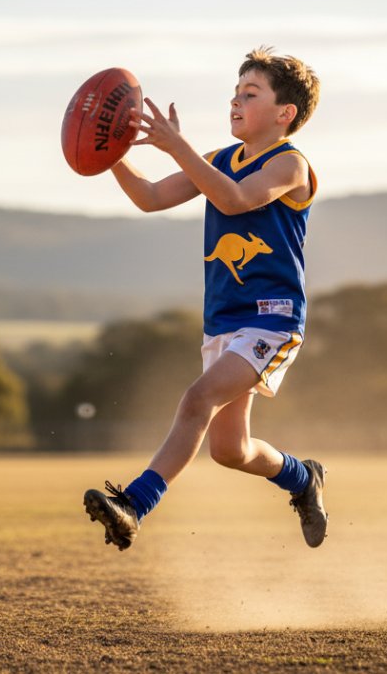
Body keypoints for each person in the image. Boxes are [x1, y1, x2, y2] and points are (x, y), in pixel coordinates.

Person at [83, 46, 327, 551]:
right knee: (230, 450)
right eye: (235, 93)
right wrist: (111, 152)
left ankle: (134, 505)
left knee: (197, 399)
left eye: (251, 94)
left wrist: (178, 148)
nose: (236, 102)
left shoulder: (291, 165)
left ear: (287, 114)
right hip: (223, 320)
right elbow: (150, 198)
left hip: (271, 320)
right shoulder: (218, 160)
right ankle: (304, 479)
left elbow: (234, 199)